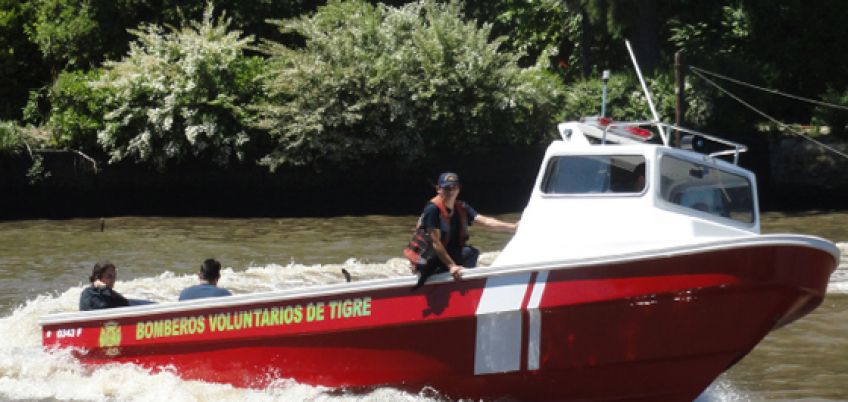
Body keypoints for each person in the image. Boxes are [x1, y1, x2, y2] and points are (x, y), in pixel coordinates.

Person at [411, 172, 518, 285]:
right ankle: (454, 280)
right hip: (428, 258)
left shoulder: (461, 207)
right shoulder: (432, 210)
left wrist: (513, 227)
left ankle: (463, 281)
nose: (451, 191)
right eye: (447, 188)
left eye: (454, 187)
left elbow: (486, 222)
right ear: (438, 189)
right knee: (468, 253)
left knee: (471, 252)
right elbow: (435, 243)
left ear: (458, 189)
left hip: (446, 253)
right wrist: (451, 265)